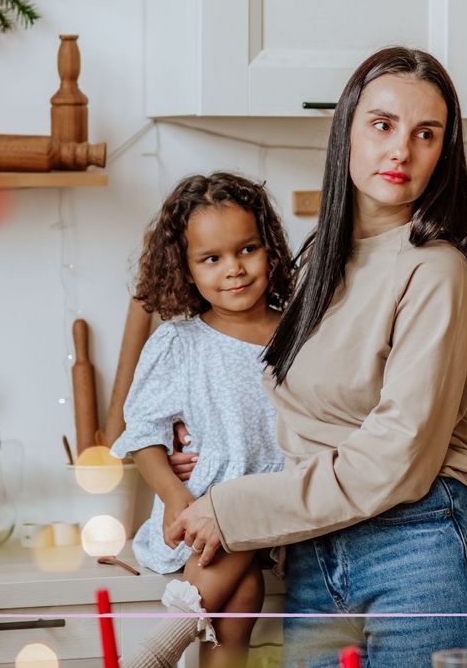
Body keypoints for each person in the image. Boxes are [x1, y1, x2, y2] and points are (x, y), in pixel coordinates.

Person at [167, 47, 467, 668]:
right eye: (383, 125)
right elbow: (307, 418)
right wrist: (206, 444)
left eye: (426, 134)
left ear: (444, 153)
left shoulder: (437, 269)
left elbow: (398, 458)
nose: (401, 151)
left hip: (422, 550)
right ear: (348, 132)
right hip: (315, 562)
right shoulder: (316, 268)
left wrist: (237, 507)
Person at [109, 172, 295, 668]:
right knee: (240, 600)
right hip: (207, 515)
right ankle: (166, 647)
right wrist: (174, 499)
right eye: (211, 259)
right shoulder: (180, 344)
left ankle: (159, 646)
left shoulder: (299, 334)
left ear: (270, 250)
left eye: (247, 249)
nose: (233, 269)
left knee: (240, 529)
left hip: (285, 508)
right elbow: (143, 433)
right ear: (186, 270)